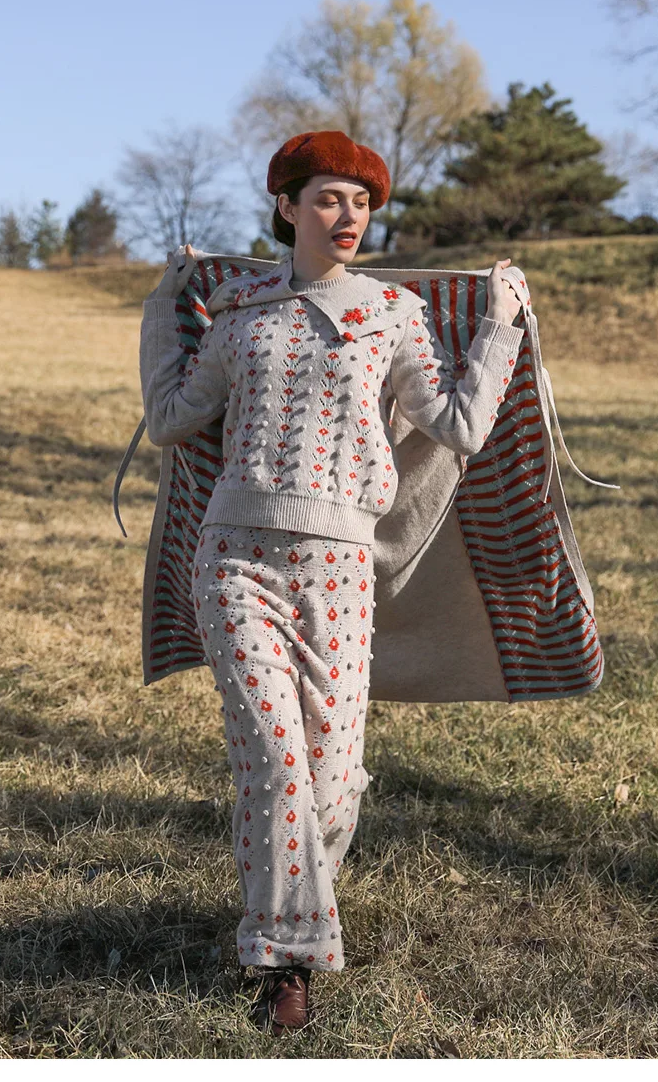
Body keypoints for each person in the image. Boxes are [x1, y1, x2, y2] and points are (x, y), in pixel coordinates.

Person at [139, 130, 524, 1034]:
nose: (347, 216)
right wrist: (164, 304)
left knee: (333, 776)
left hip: (342, 566)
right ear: (286, 206)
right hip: (235, 558)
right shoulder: (240, 310)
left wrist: (502, 322)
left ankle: (293, 910)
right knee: (274, 759)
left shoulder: (393, 312)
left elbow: (460, 427)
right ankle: (288, 959)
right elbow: (170, 417)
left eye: (361, 202)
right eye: (327, 198)